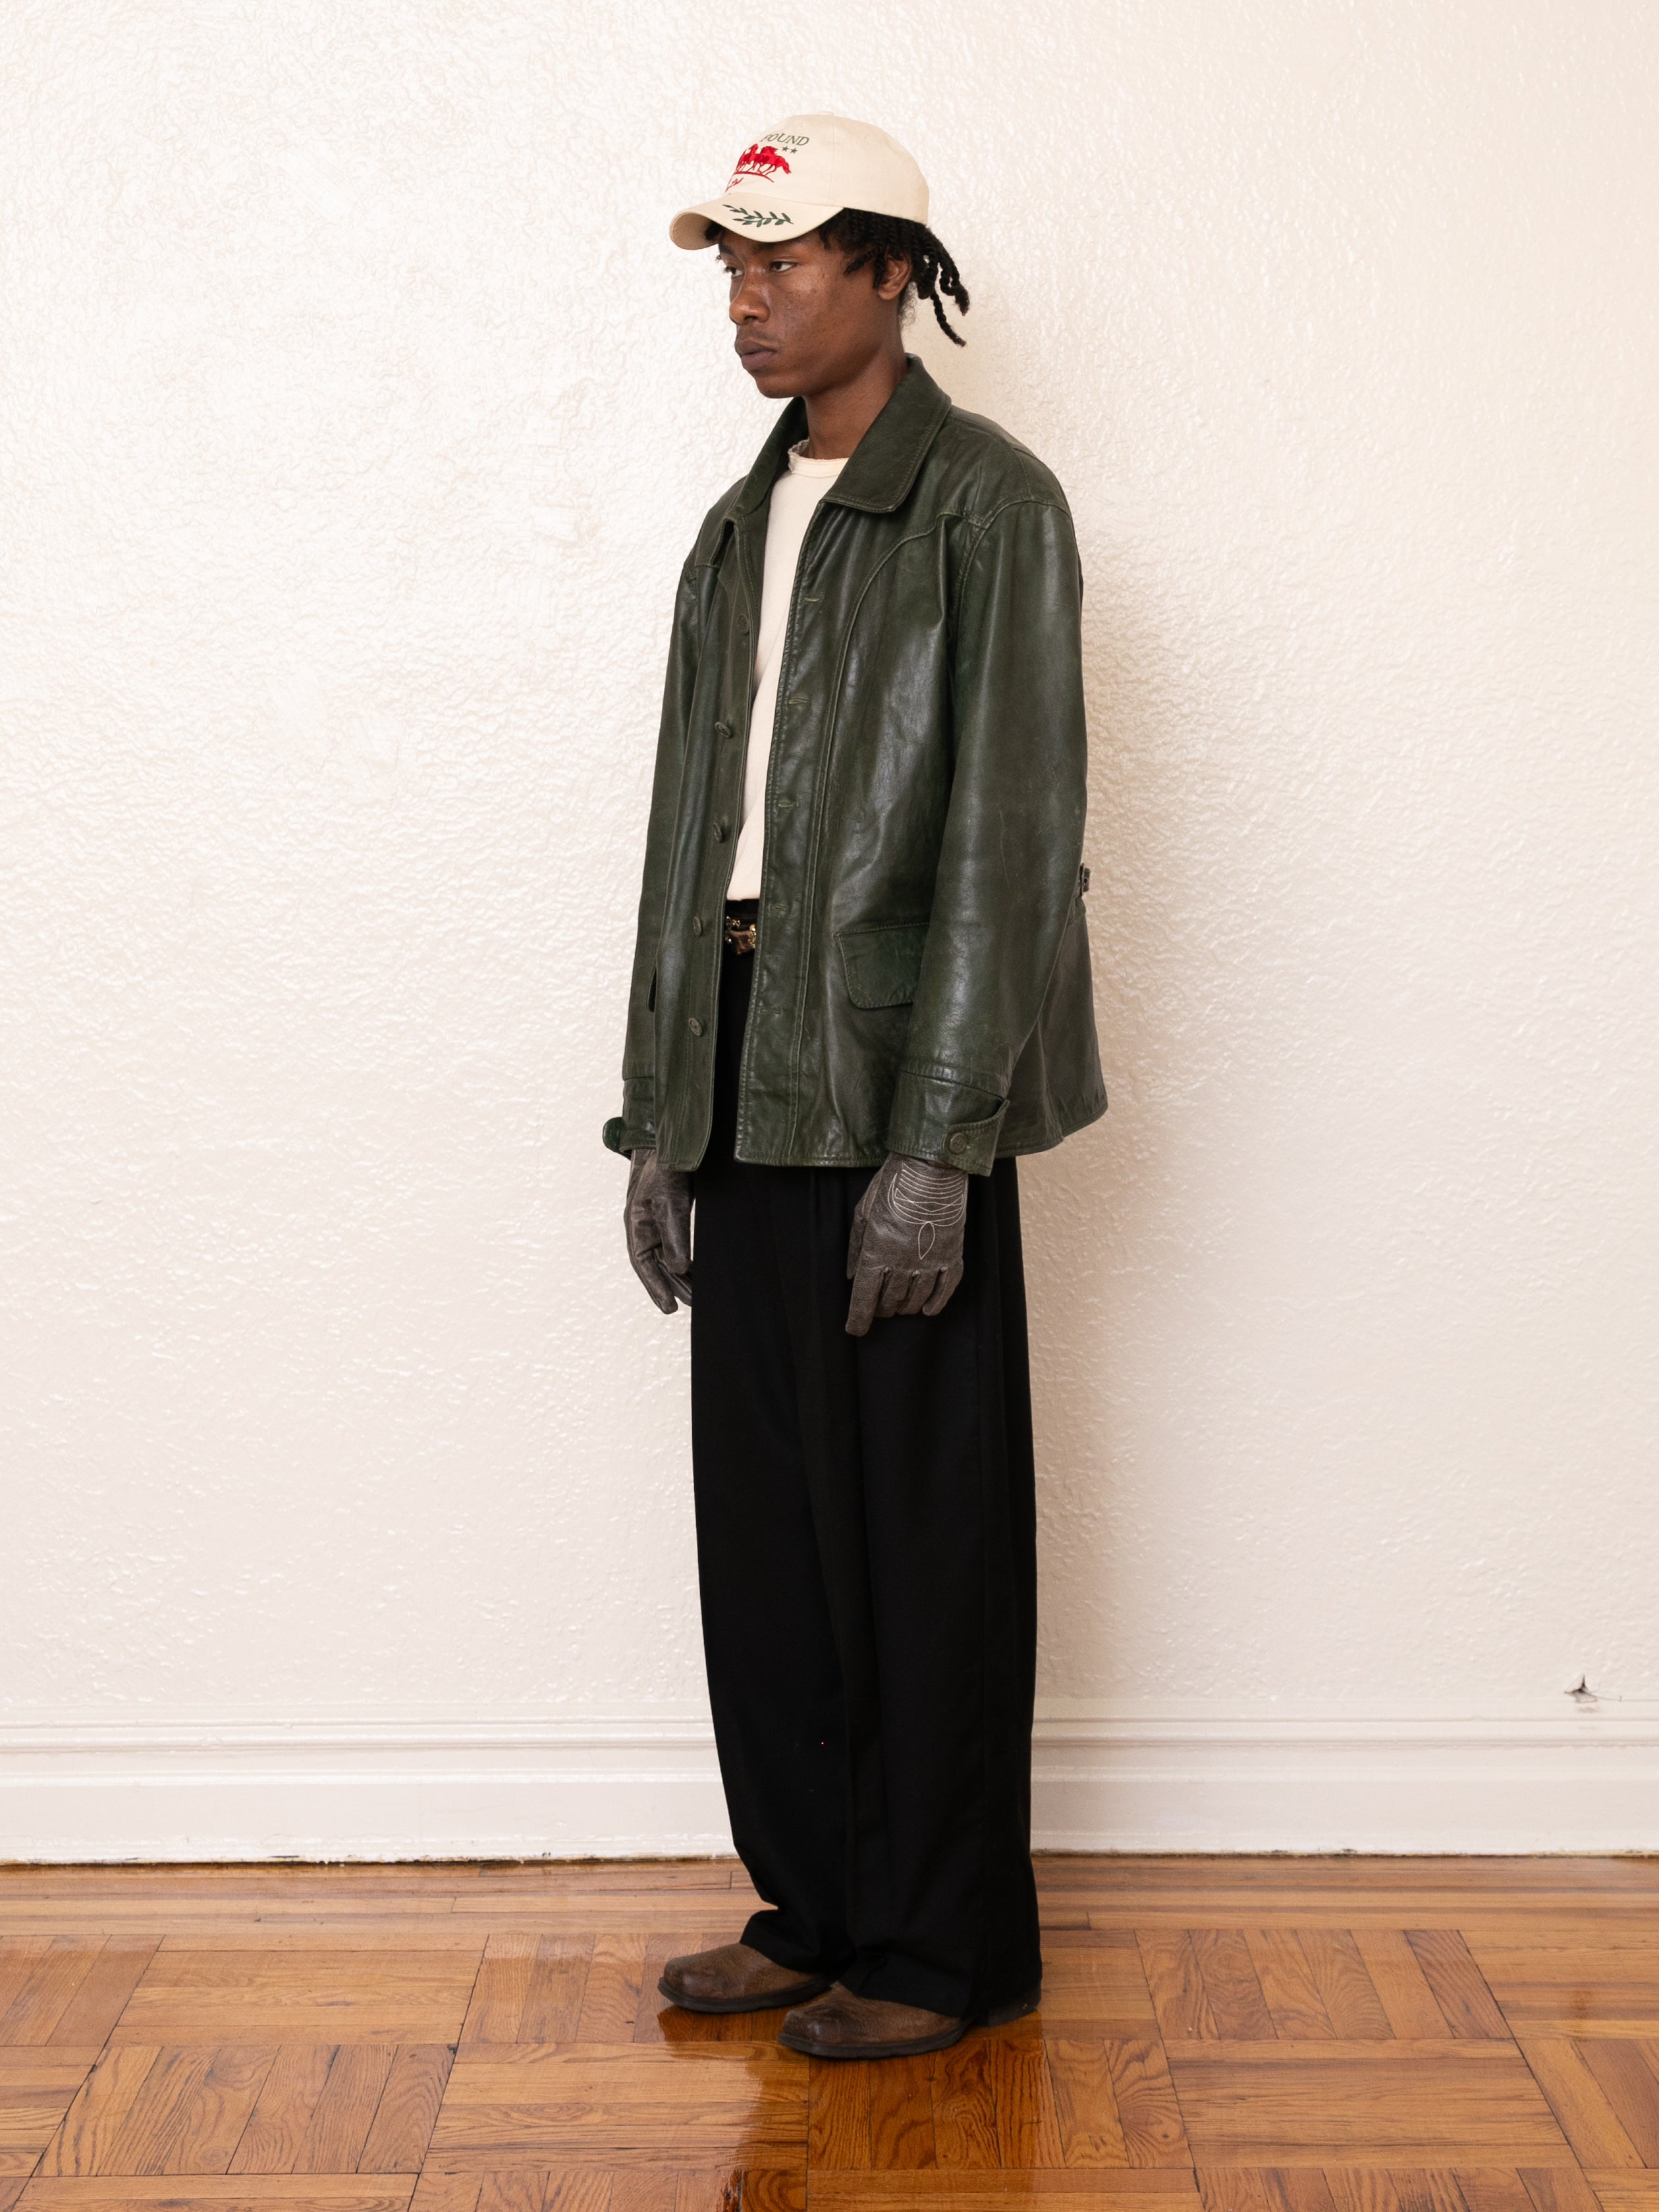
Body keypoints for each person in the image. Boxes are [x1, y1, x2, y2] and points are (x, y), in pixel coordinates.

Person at [603, 113, 1106, 2061]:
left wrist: (944, 1140)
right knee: (774, 1522)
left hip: (907, 1076)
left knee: (922, 1530)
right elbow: (684, 844)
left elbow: (1008, 840)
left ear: (896, 271)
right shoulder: (737, 526)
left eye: (790, 259)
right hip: (743, 1061)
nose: (750, 296)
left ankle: (938, 1947)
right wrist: (661, 1110)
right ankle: (812, 1902)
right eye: (732, 263)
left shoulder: (990, 507)